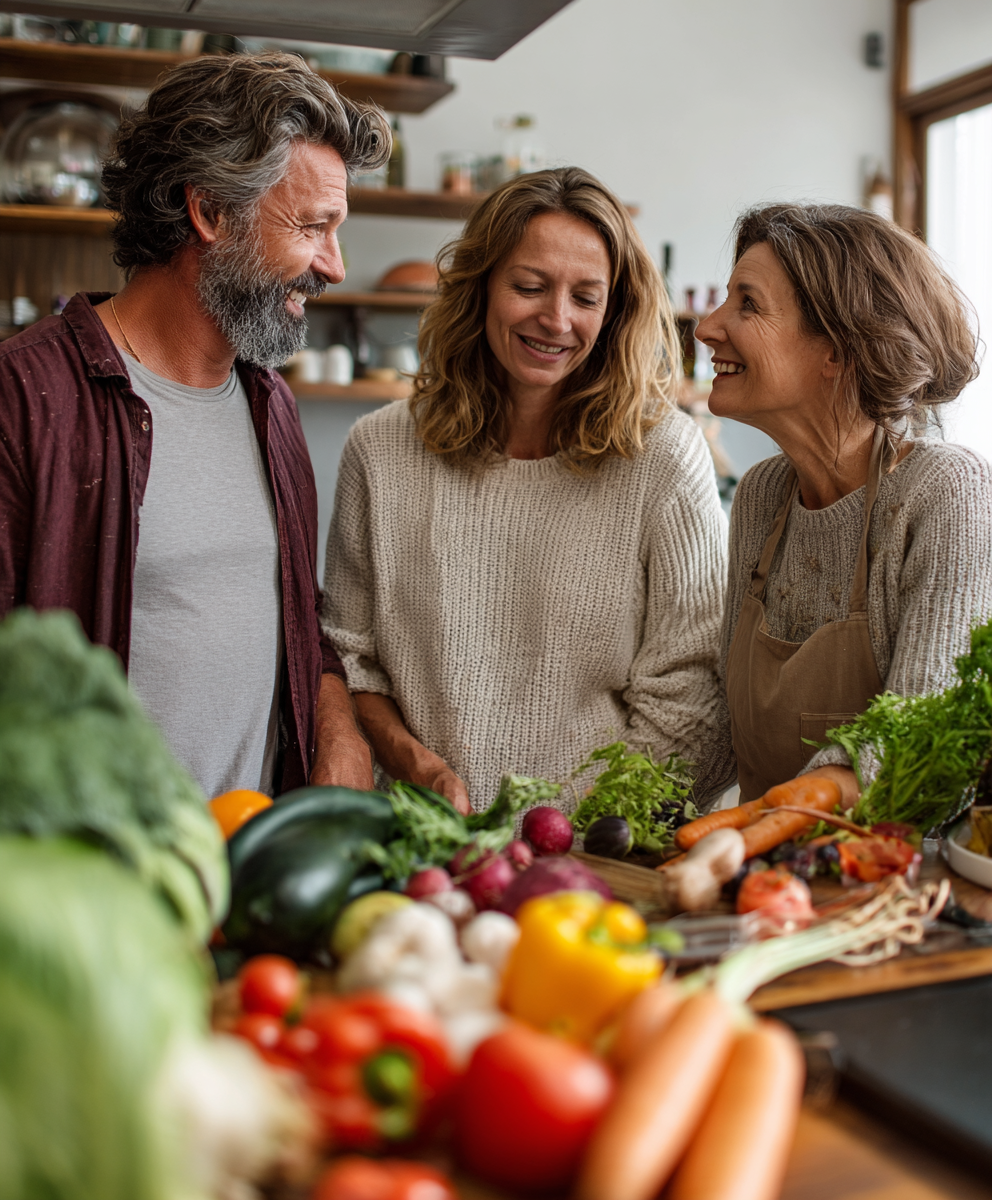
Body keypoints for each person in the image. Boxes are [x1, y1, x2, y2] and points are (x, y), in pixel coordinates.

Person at [0, 54, 389, 798]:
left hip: (246, 879)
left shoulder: (269, 403)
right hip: (98, 893)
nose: (334, 267)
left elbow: (295, 613)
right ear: (209, 211)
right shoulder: (26, 397)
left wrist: (337, 727)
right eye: (313, 227)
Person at [323, 167, 733, 814]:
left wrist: (584, 836)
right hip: (423, 843)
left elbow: (692, 692)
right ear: (480, 286)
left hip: (597, 865)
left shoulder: (664, 457)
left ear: (616, 311)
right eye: (529, 286)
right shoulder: (379, 451)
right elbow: (350, 658)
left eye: (587, 298)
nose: (556, 319)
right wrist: (418, 768)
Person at [696, 202, 992, 804]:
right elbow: (722, 729)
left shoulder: (943, 493)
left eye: (747, 303)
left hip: (901, 881)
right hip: (765, 879)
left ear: (837, 350)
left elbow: (922, 728)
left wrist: (778, 817)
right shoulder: (760, 497)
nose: (706, 326)